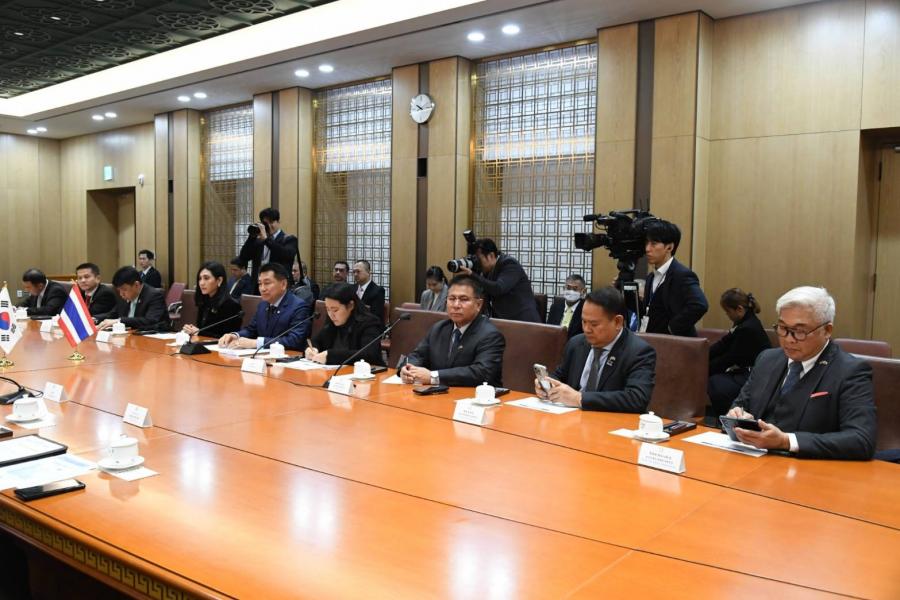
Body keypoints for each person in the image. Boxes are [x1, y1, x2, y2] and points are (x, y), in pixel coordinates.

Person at [726, 286, 877, 460]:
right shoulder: (767, 359)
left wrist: (786, 441)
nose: (789, 339)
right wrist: (738, 417)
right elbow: (739, 406)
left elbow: (861, 439)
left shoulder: (850, 371)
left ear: (827, 330)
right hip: (754, 461)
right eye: (782, 328)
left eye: (800, 331)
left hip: (809, 467)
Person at [537, 287, 656, 412]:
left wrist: (579, 398)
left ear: (617, 322)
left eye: (594, 324)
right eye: (584, 322)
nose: (586, 329)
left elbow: (637, 398)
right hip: (571, 417)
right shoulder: (576, 343)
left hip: (608, 420)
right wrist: (547, 385)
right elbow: (560, 375)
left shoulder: (638, 352)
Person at [401, 275, 505, 387]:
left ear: (478, 304)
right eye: (451, 299)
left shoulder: (490, 335)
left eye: (463, 299)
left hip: (475, 395)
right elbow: (417, 355)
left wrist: (433, 377)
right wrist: (408, 369)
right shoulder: (439, 328)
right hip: (439, 393)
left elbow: (481, 373)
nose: (456, 305)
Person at [707, 288, 771, 416]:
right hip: (744, 370)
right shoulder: (744, 322)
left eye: (728, 312)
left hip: (755, 374)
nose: (727, 315)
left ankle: (727, 419)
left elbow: (730, 358)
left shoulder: (747, 328)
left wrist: (706, 369)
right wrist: (702, 356)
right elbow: (723, 344)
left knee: (716, 383)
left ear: (739, 309)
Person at [218, 263, 311, 351]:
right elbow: (251, 330)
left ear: (283, 284)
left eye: (267, 283)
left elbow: (294, 340)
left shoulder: (299, 307)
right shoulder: (263, 305)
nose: (262, 288)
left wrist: (256, 343)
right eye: (260, 284)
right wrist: (235, 335)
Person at [641, 220, 708, 337]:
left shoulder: (682, 274)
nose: (647, 249)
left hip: (674, 343)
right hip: (652, 340)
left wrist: (672, 328)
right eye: (647, 243)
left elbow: (700, 305)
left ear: (669, 247)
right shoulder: (651, 277)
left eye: (653, 244)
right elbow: (649, 310)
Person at [457, 238, 540, 323]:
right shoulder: (487, 271)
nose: (476, 263)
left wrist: (472, 275)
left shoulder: (509, 264)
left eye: (478, 259)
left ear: (491, 256)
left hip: (524, 321)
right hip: (504, 321)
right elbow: (482, 293)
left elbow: (498, 288)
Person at [305, 283, 385, 367]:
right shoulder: (333, 320)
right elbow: (317, 340)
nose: (331, 315)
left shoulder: (369, 323)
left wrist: (330, 356)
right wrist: (312, 349)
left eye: (335, 310)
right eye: (328, 309)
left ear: (350, 305)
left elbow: (369, 354)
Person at [238, 207, 299, 294]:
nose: (269, 226)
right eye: (266, 223)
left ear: (278, 222)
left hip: (278, 287)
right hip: (258, 287)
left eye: (271, 222)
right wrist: (251, 237)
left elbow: (286, 255)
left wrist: (266, 240)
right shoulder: (259, 241)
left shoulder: (289, 239)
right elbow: (243, 257)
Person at [182, 261, 242, 339]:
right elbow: (202, 329)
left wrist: (199, 332)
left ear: (219, 280)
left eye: (206, 278)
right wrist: (191, 330)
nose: (201, 283)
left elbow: (228, 338)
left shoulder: (231, 305)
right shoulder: (204, 301)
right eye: (200, 279)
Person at [97, 266, 168, 331]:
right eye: (119, 290)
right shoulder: (125, 297)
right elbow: (113, 314)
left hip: (152, 336)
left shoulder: (154, 296)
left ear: (136, 285)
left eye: (124, 289)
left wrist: (119, 321)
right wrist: (95, 319)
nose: (121, 294)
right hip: (128, 336)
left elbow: (150, 321)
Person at [547, 274, 586, 339]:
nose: (571, 291)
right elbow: (548, 329)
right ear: (563, 288)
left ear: (583, 291)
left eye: (575, 289)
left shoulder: (585, 309)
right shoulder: (555, 307)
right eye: (568, 288)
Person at [353, 260, 386, 325]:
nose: (355, 274)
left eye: (358, 271)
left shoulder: (378, 291)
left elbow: (375, 315)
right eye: (354, 272)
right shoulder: (352, 288)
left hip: (370, 325)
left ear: (368, 272)